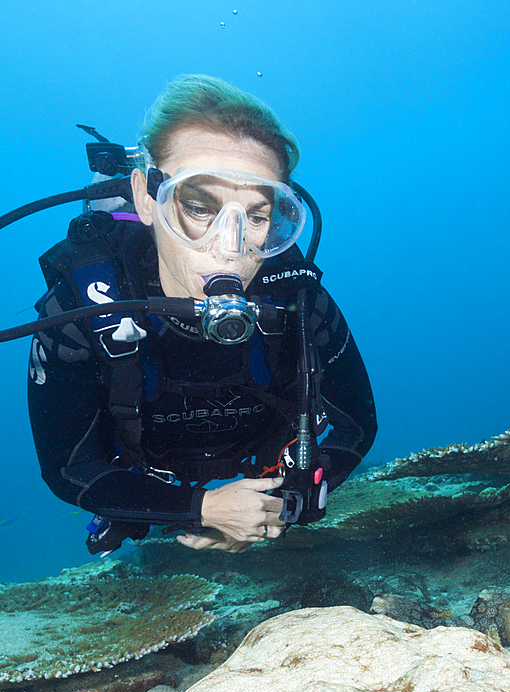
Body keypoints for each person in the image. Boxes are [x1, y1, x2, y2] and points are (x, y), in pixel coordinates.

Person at [27, 75, 376, 554]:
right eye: (198, 207)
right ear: (147, 199)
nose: (229, 250)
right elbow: (69, 468)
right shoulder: (81, 309)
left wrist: (280, 509)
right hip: (146, 474)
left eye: (256, 216)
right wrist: (202, 509)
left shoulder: (295, 298)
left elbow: (358, 425)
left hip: (261, 467)